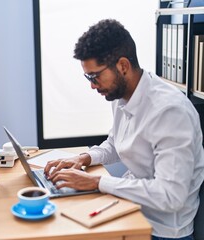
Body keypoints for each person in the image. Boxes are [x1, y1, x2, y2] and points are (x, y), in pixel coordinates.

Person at [44, 19, 204, 239]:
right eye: (87, 77)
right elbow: (117, 143)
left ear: (122, 66)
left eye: (95, 76)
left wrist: (97, 182)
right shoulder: (120, 95)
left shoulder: (170, 112)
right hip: (132, 207)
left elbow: (171, 196)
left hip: (162, 228)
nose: (92, 85)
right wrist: (84, 158)